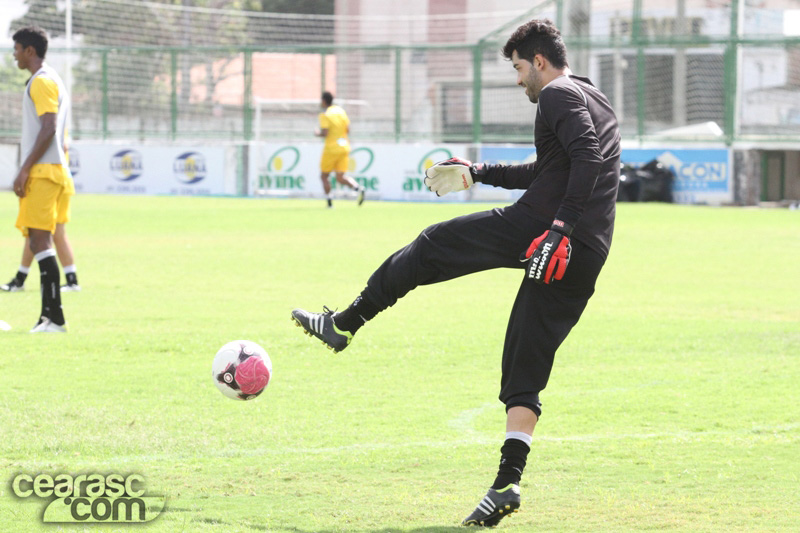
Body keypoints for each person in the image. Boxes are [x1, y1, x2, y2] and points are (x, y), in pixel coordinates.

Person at [292, 19, 621, 527]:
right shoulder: (593, 97)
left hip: (545, 231)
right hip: (591, 250)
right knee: (524, 361)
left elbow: (588, 157)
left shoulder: (556, 95)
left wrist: (557, 228)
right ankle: (506, 483)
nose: (518, 81)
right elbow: (553, 169)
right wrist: (480, 173)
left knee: (432, 245)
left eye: (517, 69)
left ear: (538, 61)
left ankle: (344, 324)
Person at [10, 26, 71, 333]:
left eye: (17, 49)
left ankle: (54, 318)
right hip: (50, 169)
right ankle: (49, 317)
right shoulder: (51, 78)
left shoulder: (42, 81)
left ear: (30, 51)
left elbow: (49, 126)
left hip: (44, 170)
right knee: (39, 241)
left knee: (40, 241)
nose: (14, 55)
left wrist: (25, 168)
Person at [1, 168, 79, 293]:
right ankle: (71, 279)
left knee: (37, 232)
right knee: (56, 233)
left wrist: (24, 170)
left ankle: (20, 279)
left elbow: (58, 148)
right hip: (60, 179)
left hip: (47, 178)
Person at [315, 91, 364, 208]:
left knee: (324, 176)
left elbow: (325, 132)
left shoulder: (325, 114)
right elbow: (348, 130)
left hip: (331, 149)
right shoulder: (340, 111)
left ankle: (329, 202)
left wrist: (317, 133)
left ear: (323, 101)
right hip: (344, 147)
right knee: (340, 177)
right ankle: (358, 188)